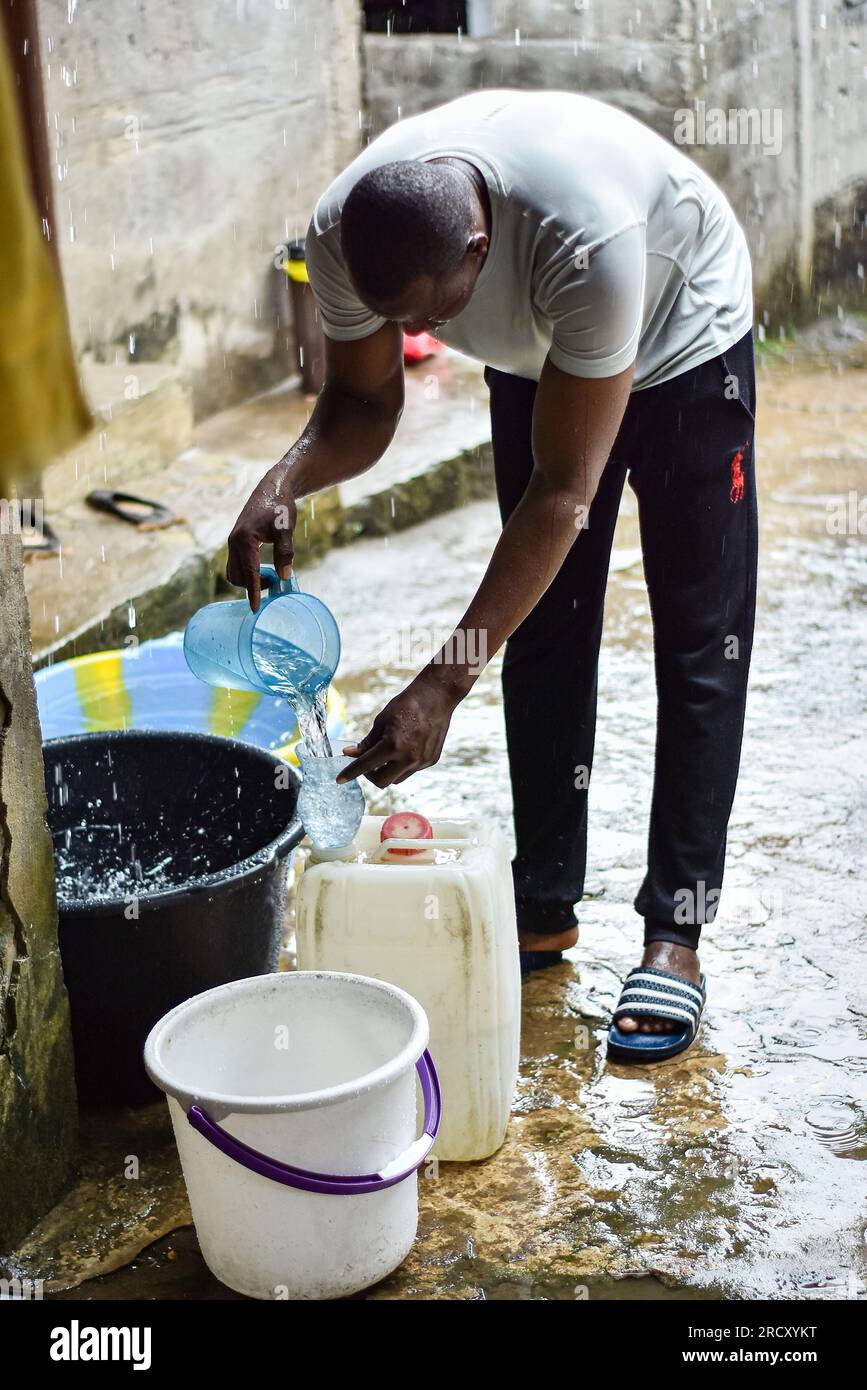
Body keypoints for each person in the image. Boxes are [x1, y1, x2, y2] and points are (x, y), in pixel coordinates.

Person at [227, 89, 757, 1063]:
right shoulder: (352, 234)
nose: (405, 331)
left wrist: (439, 683)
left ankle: (673, 933)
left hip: (687, 342)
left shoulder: (582, 237)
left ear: (478, 250)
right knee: (542, 620)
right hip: (541, 352)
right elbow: (360, 400)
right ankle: (544, 904)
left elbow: (564, 493)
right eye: (390, 314)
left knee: (700, 637)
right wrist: (284, 480)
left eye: (424, 315)